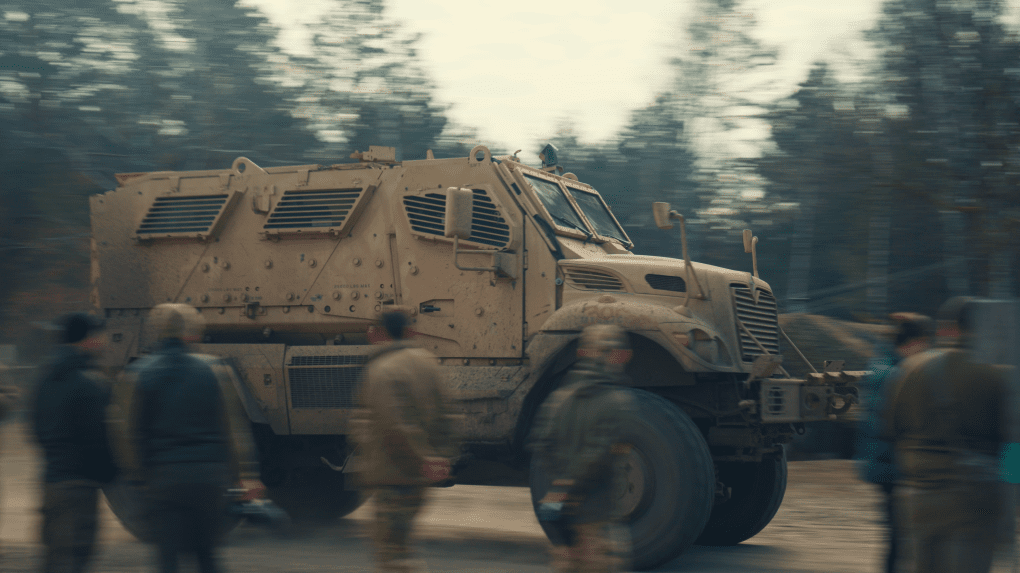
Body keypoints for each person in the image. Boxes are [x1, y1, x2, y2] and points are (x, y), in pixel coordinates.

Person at [884, 296, 1012, 573]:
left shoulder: (908, 369)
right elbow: (1013, 449)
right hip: (971, 501)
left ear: (947, 329)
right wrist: (1010, 508)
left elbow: (892, 431)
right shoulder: (998, 375)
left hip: (916, 497)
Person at [125, 304, 239, 573]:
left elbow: (130, 434)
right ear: (190, 333)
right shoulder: (213, 369)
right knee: (207, 556)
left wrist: (138, 477)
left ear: (156, 332)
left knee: (168, 559)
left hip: (165, 478)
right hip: (208, 478)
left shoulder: (141, 372)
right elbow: (233, 428)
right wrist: (243, 475)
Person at [528, 324, 637, 573]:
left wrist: (560, 487)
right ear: (618, 355)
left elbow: (542, 444)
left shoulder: (558, 399)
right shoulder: (619, 402)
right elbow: (600, 454)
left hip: (565, 522)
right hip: (598, 519)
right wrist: (571, 485)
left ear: (583, 354)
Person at [355, 311, 456, 573]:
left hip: (393, 477)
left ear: (379, 334)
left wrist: (419, 462)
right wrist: (442, 458)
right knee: (402, 547)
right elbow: (448, 416)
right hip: (419, 481)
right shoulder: (428, 363)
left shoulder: (382, 369)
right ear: (410, 332)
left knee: (391, 554)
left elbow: (393, 427)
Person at [31, 312, 118, 573]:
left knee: (55, 558)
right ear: (88, 339)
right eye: (99, 336)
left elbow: (36, 426)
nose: (103, 342)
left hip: (52, 481)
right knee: (73, 559)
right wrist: (108, 473)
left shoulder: (45, 376)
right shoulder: (89, 382)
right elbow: (99, 437)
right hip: (79, 487)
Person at [855, 312, 933, 573]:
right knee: (901, 541)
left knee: (899, 540)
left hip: (887, 466)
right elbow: (893, 426)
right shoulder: (895, 374)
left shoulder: (885, 366)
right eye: (924, 344)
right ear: (914, 342)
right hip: (893, 467)